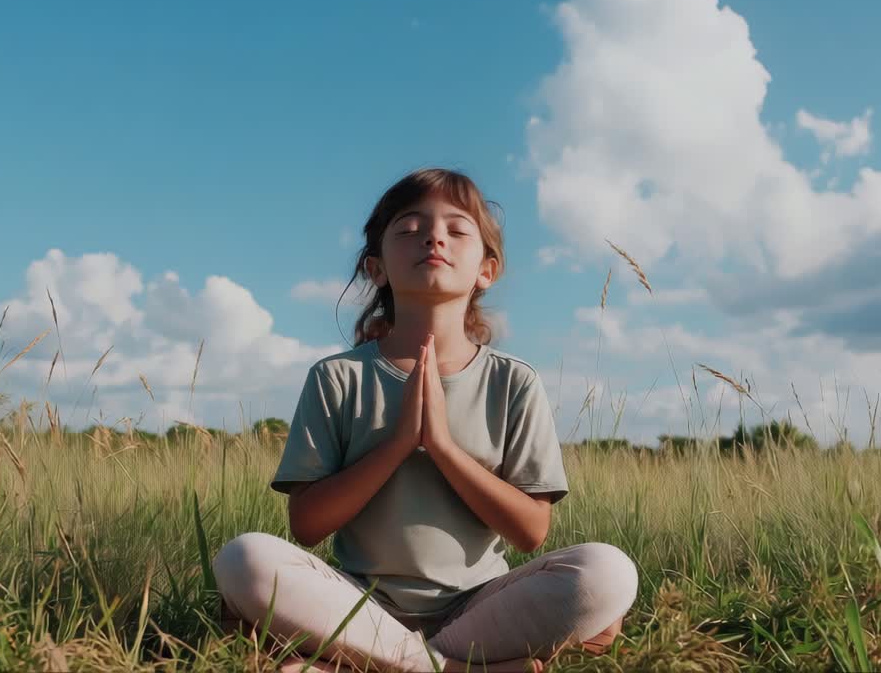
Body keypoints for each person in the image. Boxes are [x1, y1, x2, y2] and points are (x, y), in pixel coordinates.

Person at [213, 168, 638, 672]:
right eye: (410, 228)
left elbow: (531, 531)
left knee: (608, 572)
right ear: (376, 268)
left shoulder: (513, 381)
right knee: (244, 559)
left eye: (456, 230)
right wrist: (397, 445)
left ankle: (365, 663)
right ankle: (452, 668)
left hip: (481, 607)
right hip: (358, 604)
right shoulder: (338, 377)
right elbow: (307, 526)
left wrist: (442, 448)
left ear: (486, 270)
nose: (434, 237)